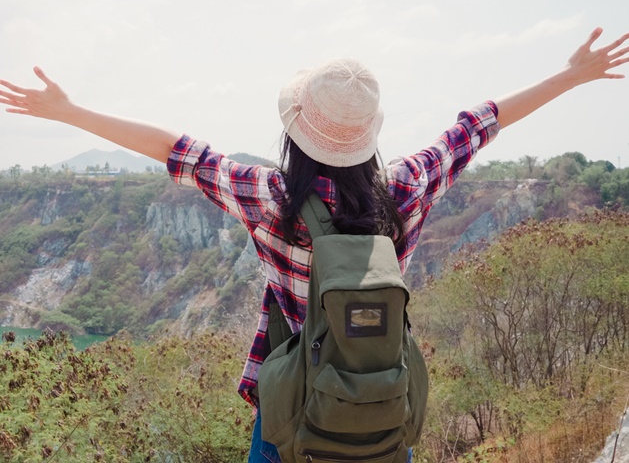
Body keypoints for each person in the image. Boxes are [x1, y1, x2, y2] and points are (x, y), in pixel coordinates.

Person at [1, 27, 628, 463]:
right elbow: (476, 126)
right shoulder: (406, 188)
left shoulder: (268, 196)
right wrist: (572, 75)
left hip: (291, 417)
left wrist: (69, 112)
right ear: (369, 135)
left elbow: (176, 149)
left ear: (295, 129)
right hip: (383, 413)